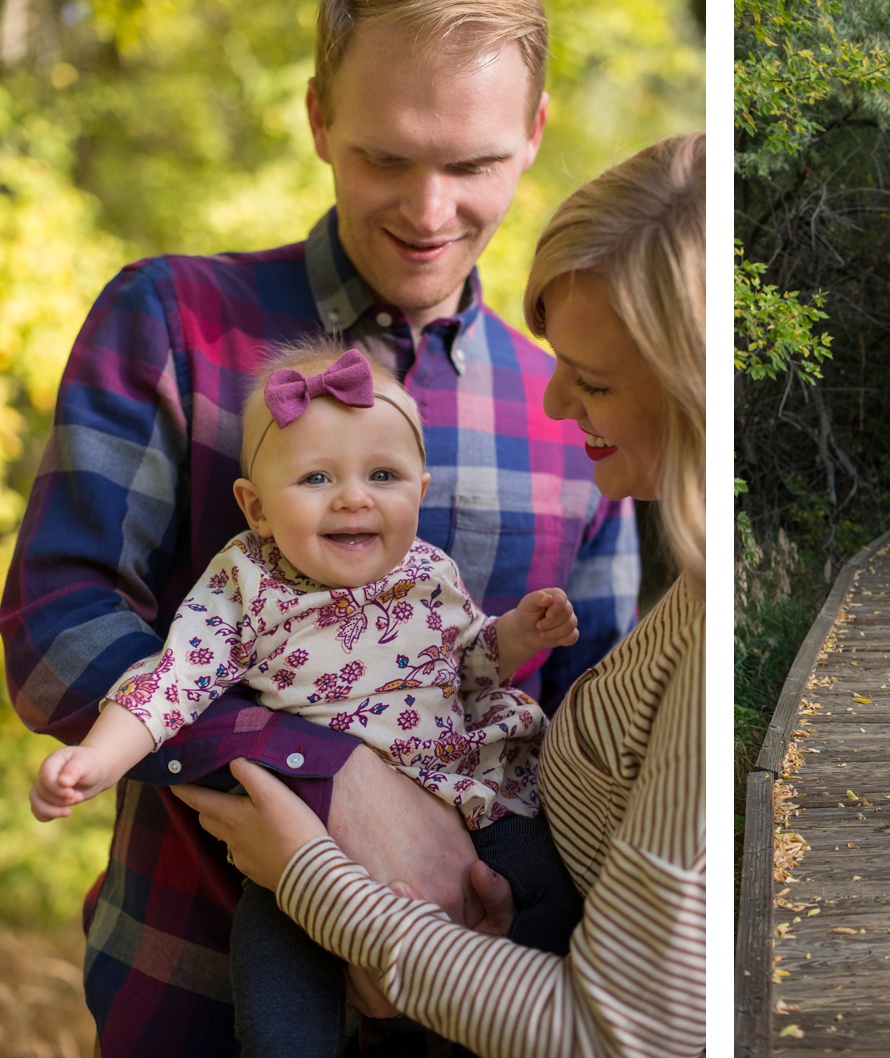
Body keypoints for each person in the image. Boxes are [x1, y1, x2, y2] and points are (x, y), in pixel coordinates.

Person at [0, 2, 638, 1053]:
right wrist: (329, 776)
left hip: (489, 1001)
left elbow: (598, 724)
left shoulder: (574, 405)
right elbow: (53, 632)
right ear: (318, 118)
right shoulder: (172, 321)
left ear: (534, 133)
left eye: (474, 163)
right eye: (389, 157)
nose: (431, 210)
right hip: (201, 992)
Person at [176, 129, 705, 1058]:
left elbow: (628, 1025)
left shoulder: (678, 624)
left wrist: (338, 893)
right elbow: (81, 643)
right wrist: (336, 787)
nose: (553, 406)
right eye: (387, 153)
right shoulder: (697, 594)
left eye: (591, 381)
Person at [29, 340, 588, 1056]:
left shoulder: (429, 572)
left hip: (468, 797)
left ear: (418, 493)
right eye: (317, 476)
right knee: (275, 989)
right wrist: (97, 760)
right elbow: (176, 681)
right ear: (256, 509)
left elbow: (468, 670)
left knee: (545, 899)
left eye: (382, 475)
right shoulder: (247, 583)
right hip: (305, 839)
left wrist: (513, 634)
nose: (353, 496)